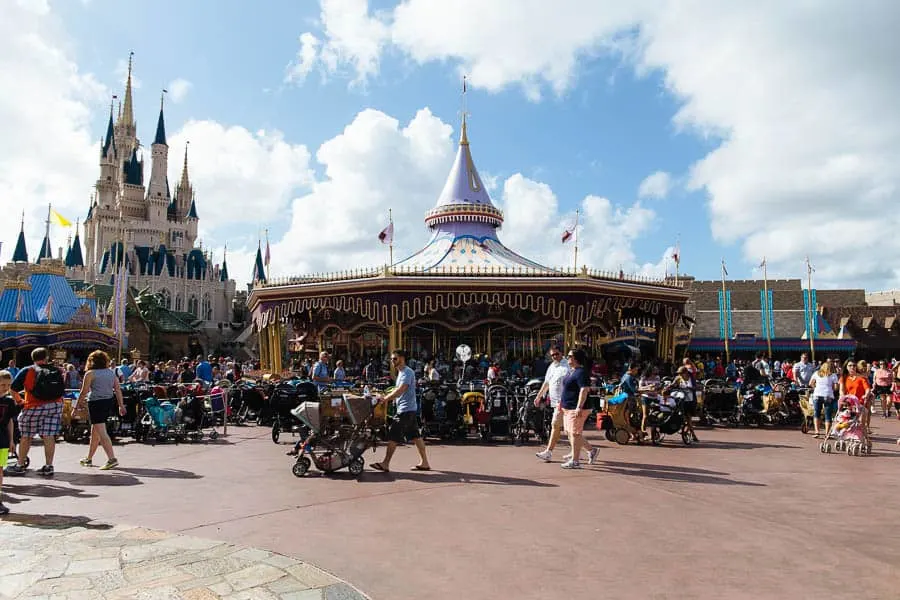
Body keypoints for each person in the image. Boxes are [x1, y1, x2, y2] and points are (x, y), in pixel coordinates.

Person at [6, 347, 65, 477]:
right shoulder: (57, 370)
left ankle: (20, 464)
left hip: (33, 406)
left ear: (33, 358)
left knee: (26, 435)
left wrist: (20, 401)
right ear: (46, 358)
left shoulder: (28, 370)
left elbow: (13, 389)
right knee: (49, 435)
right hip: (55, 405)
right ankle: (49, 466)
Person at [371, 350, 430, 473]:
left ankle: (386, 463)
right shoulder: (401, 373)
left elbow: (401, 390)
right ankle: (424, 462)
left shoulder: (407, 372)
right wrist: (385, 394)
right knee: (416, 436)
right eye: (392, 359)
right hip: (408, 409)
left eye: (395, 359)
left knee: (393, 435)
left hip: (405, 410)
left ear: (402, 358)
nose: (392, 361)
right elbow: (396, 389)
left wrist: (385, 399)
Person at [75, 350, 125, 470]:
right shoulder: (111, 373)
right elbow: (118, 390)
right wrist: (121, 405)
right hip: (108, 401)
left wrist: (76, 407)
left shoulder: (90, 373)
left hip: (96, 402)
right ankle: (89, 458)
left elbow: (84, 391)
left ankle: (112, 458)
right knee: (95, 431)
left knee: (101, 431)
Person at [558, 349, 599, 469]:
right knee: (570, 433)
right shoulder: (573, 371)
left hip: (576, 408)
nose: (567, 357)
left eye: (569, 356)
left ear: (576, 358)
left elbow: (584, 390)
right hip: (568, 406)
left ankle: (575, 460)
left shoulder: (581, 372)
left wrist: (579, 407)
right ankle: (591, 450)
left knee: (575, 433)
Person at [534, 347, 570, 462]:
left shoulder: (567, 365)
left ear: (561, 353)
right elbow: (547, 383)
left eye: (556, 354)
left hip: (564, 401)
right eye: (552, 355)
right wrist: (539, 396)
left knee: (555, 425)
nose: (554, 356)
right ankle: (588, 450)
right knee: (570, 431)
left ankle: (549, 452)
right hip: (556, 402)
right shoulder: (552, 366)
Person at [0, 370, 23, 514]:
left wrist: (11, 440)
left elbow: (9, 421)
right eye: (2, 384)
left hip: (1, 440)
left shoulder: (8, 401)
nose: (5, 387)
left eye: (8, 385)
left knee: (0, 470)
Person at [809, 360, 838, 438]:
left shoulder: (816, 373)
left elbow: (810, 383)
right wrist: (830, 388)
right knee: (828, 415)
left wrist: (816, 388)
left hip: (817, 395)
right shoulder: (833, 375)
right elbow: (836, 387)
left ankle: (817, 432)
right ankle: (827, 433)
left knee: (816, 413)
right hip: (828, 395)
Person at [638, 364, 661, 441]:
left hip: (655, 397)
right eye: (654, 369)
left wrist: (658, 388)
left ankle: (653, 434)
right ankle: (642, 433)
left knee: (655, 416)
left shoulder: (657, 377)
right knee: (645, 415)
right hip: (646, 397)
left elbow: (659, 387)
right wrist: (648, 387)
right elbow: (640, 388)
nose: (656, 370)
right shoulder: (644, 378)